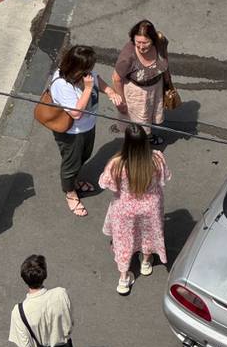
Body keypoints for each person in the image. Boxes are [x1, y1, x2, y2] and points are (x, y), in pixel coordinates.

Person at [50, 45, 122, 217]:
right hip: (72, 133)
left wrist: (110, 91)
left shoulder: (85, 74)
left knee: (83, 157)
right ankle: (70, 193)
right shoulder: (62, 84)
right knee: (71, 164)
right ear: (76, 67)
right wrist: (88, 89)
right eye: (88, 68)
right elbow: (76, 113)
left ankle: (75, 181)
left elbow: (97, 79)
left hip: (87, 126)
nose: (91, 71)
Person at [99, 125, 170, 295]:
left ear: (126, 143)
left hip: (125, 209)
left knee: (124, 241)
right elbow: (164, 178)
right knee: (148, 234)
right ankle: (146, 262)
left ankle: (124, 279)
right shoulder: (156, 159)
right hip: (150, 207)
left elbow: (105, 183)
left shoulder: (117, 163)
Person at [112, 20, 174, 145]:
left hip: (156, 88)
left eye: (145, 42)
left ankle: (147, 137)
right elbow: (116, 79)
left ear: (153, 40)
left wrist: (168, 81)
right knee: (139, 124)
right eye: (138, 42)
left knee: (149, 116)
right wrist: (122, 102)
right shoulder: (127, 57)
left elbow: (164, 58)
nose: (141, 47)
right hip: (137, 93)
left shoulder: (160, 42)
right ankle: (141, 147)